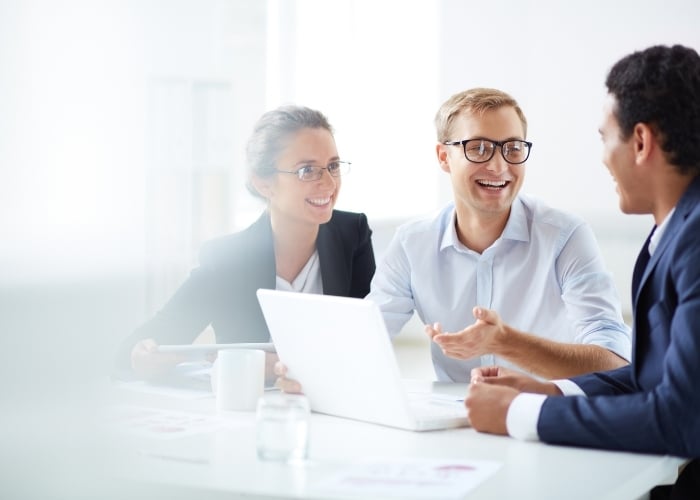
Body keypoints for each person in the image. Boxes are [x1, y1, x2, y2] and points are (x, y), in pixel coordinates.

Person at [465, 44, 700, 497]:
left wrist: (519, 414)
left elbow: (682, 418)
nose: (601, 156)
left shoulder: (693, 241)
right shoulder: (676, 231)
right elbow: (662, 377)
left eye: (603, 137)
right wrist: (552, 393)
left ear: (640, 141)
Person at [366, 87, 631, 382]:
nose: (499, 166)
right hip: (454, 418)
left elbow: (614, 361)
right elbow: (364, 338)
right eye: (478, 148)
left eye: (513, 148)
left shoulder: (564, 236)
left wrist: (505, 342)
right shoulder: (411, 243)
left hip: (544, 413)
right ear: (444, 157)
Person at [116, 105, 376, 381]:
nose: (328, 183)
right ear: (264, 184)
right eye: (307, 170)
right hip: (250, 412)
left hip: (334, 407)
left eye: (333, 166)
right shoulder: (228, 259)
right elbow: (144, 343)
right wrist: (140, 356)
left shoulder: (352, 235)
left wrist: (285, 365)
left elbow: (368, 345)